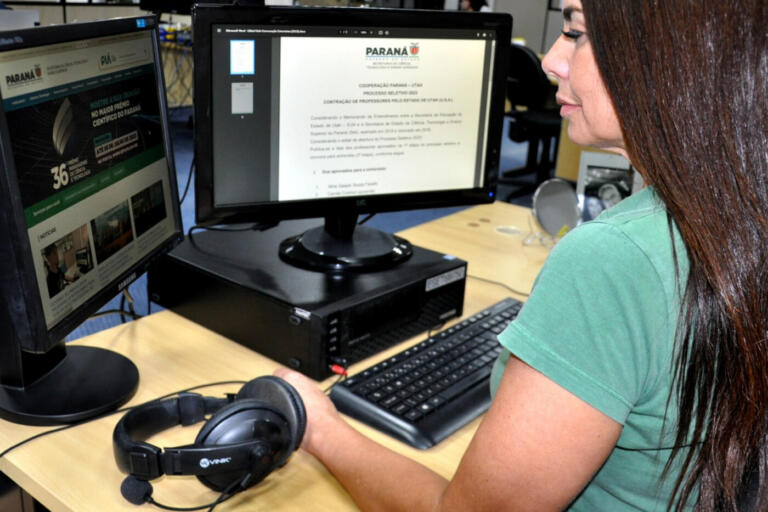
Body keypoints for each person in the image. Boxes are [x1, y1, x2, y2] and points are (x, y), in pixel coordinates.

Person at [276, 0, 768, 509]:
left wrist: (319, 426)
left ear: (670, 52)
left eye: (575, 32)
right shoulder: (738, 213)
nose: (552, 58)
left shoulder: (616, 260)